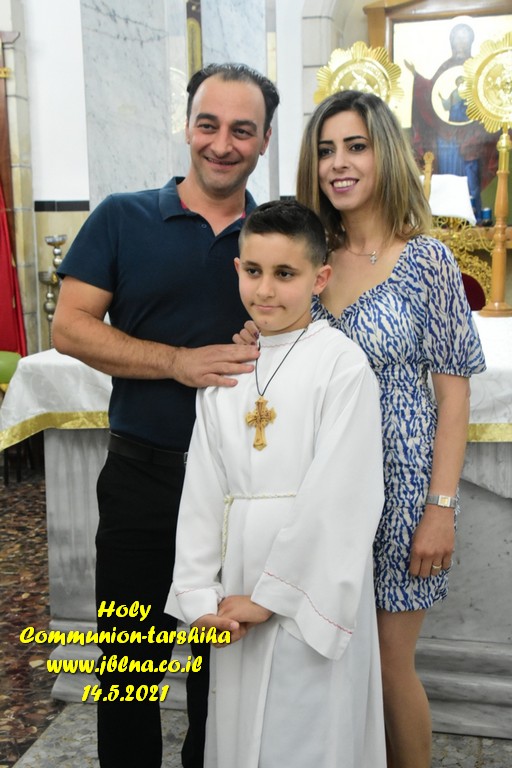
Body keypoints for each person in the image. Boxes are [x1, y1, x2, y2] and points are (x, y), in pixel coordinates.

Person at [52, 62, 279, 768]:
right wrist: (177, 362)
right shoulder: (123, 216)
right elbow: (70, 327)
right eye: (208, 124)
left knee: (224, 674)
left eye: (242, 130)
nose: (222, 144)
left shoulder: (279, 236)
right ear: (186, 126)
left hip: (241, 494)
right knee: (129, 670)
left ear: (264, 140)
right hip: (143, 480)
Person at [292, 90, 486, 768]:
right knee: (325, 656)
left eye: (356, 146)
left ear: (385, 154)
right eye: (325, 151)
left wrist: (440, 508)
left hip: (402, 492)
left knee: (386, 662)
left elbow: (453, 396)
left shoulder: (427, 261)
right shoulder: (309, 258)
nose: (338, 164)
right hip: (318, 487)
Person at [166, 199, 387, 768]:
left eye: (285, 274)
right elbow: (203, 491)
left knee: (305, 731)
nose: (265, 290)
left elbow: (342, 496)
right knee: (242, 733)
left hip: (308, 585)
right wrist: (199, 596)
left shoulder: (341, 366)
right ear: (237, 269)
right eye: (254, 271)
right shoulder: (227, 375)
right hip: (236, 581)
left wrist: (270, 598)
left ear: (320, 278)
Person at [404, 22, 498, 222]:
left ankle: (473, 217)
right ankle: (445, 219)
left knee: (470, 178)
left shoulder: (478, 70)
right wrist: (416, 77)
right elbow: (431, 95)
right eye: (457, 40)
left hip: (473, 137)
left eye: (464, 40)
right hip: (446, 137)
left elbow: (491, 96)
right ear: (452, 43)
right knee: (446, 176)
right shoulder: (445, 68)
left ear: (470, 42)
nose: (460, 44)